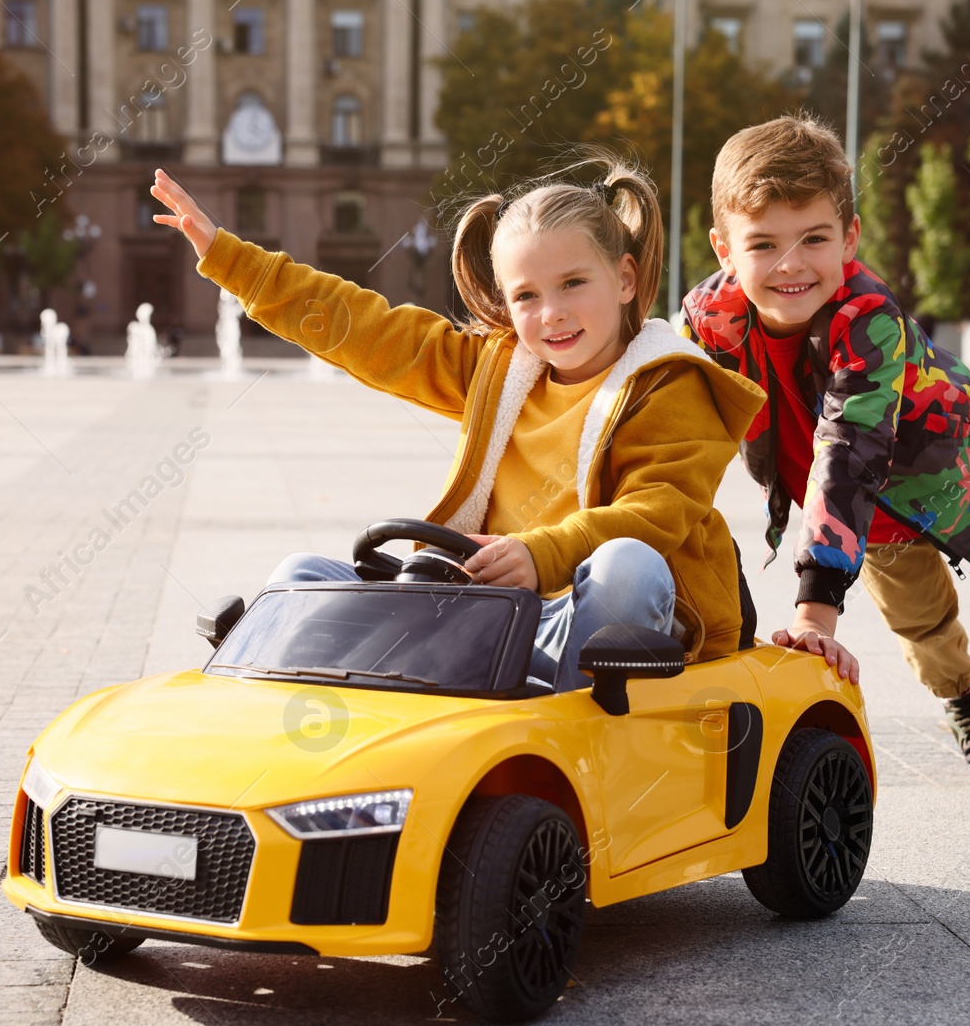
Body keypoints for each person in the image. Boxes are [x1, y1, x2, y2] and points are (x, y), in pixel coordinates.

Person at [150, 156, 769, 692]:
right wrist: (231, 261)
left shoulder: (669, 382)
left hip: (601, 617)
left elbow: (658, 513)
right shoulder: (500, 370)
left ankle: (561, 737)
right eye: (525, 296)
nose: (551, 313)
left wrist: (540, 552)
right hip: (493, 614)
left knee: (625, 564)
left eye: (573, 284)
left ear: (626, 279)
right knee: (300, 578)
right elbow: (370, 333)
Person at [682, 114, 970, 792]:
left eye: (814, 238)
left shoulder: (866, 320)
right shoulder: (709, 322)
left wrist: (815, 608)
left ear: (849, 237)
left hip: (957, 469)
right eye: (763, 243)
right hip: (865, 515)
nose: (791, 264)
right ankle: (964, 702)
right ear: (723, 249)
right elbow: (668, 408)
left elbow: (850, 447)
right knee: (917, 615)